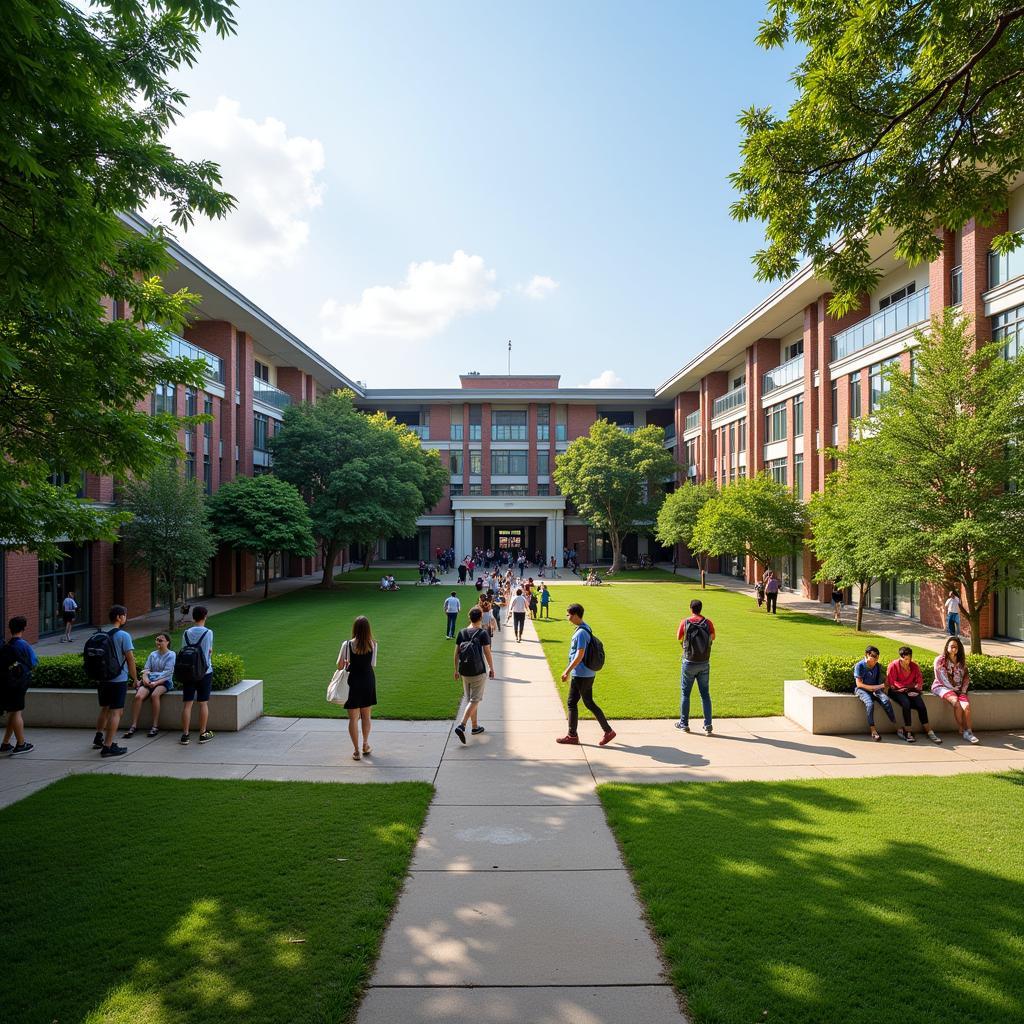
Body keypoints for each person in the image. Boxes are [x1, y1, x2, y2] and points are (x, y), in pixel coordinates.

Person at [557, 603, 615, 746]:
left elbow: (579, 654)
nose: (567, 617)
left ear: (576, 615)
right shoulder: (585, 627)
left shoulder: (581, 632)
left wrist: (567, 671)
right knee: (588, 702)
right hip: (588, 673)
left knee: (572, 703)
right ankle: (608, 731)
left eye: (569, 615)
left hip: (581, 674)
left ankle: (572, 735)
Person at [92, 605, 137, 757]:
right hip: (118, 679)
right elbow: (130, 659)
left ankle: (99, 737)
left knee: (105, 708)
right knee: (116, 712)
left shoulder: (102, 634)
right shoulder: (123, 635)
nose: (126, 617)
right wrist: (135, 679)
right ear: (119, 617)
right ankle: (108, 746)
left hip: (102, 678)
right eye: (124, 615)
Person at [453, 607, 496, 743]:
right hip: (478, 671)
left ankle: (475, 726)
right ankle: (462, 725)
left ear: (469, 617)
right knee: (475, 700)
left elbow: (456, 654)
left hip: (465, 671)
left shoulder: (462, 632)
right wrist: (491, 668)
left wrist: (456, 670)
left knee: (470, 699)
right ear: (481, 617)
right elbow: (487, 653)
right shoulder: (482, 633)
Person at [338, 615, 377, 760]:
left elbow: (340, 665)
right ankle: (365, 744)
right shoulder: (373, 644)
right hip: (368, 680)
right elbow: (372, 664)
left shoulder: (347, 645)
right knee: (366, 716)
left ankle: (356, 750)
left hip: (352, 682)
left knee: (353, 718)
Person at [675, 598, 715, 735]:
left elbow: (679, 637)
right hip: (704, 662)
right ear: (700, 609)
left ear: (691, 609)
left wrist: (684, 646)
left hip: (689, 661)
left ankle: (684, 723)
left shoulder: (685, 622)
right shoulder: (708, 623)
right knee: (705, 694)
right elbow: (712, 637)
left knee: (685, 693)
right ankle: (708, 725)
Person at [886, 646, 942, 744]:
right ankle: (908, 731)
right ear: (901, 657)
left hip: (911, 690)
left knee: (921, 705)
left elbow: (919, 680)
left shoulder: (914, 666)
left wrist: (916, 688)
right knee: (906, 703)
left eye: (909, 658)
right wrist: (905, 689)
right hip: (896, 691)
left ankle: (929, 731)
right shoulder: (893, 665)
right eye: (905, 659)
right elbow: (892, 682)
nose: (908, 661)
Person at [125, 633, 175, 738]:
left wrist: (155, 682)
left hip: (164, 681)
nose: (158, 642)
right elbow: (146, 669)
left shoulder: (171, 655)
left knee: (155, 695)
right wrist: (145, 679)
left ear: (167, 642)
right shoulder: (153, 654)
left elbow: (167, 673)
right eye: (157, 640)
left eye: (161, 640)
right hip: (150, 680)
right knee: (138, 696)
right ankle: (133, 725)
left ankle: (155, 726)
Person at [1, 615, 38, 754]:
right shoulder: (23, 644)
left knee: (13, 712)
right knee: (17, 713)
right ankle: (21, 744)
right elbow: (34, 662)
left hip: (8, 683)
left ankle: (5, 743)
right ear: (23, 628)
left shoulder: (7, 645)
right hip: (18, 684)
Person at [178, 606, 214, 746]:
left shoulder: (186, 632)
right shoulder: (208, 632)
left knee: (187, 704)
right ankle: (202, 733)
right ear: (205, 616)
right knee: (203, 703)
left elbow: (184, 649)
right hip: (204, 671)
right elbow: (208, 651)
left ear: (193, 617)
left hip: (188, 671)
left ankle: (185, 735)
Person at [932, 637, 979, 743]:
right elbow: (940, 677)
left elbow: (966, 678)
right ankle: (962, 729)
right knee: (956, 703)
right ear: (947, 647)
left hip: (959, 690)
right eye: (952, 646)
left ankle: (969, 732)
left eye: (956, 647)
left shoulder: (961, 661)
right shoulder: (940, 660)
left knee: (966, 707)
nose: (954, 649)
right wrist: (954, 689)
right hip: (941, 687)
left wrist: (962, 690)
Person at [853, 645, 896, 741]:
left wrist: (883, 688)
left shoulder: (877, 665)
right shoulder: (859, 666)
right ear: (867, 655)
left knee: (886, 701)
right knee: (870, 704)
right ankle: (873, 730)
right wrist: (874, 688)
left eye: (877, 656)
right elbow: (859, 684)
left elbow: (881, 681)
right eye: (874, 656)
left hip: (876, 689)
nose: (876, 659)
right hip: (862, 690)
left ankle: (895, 725)